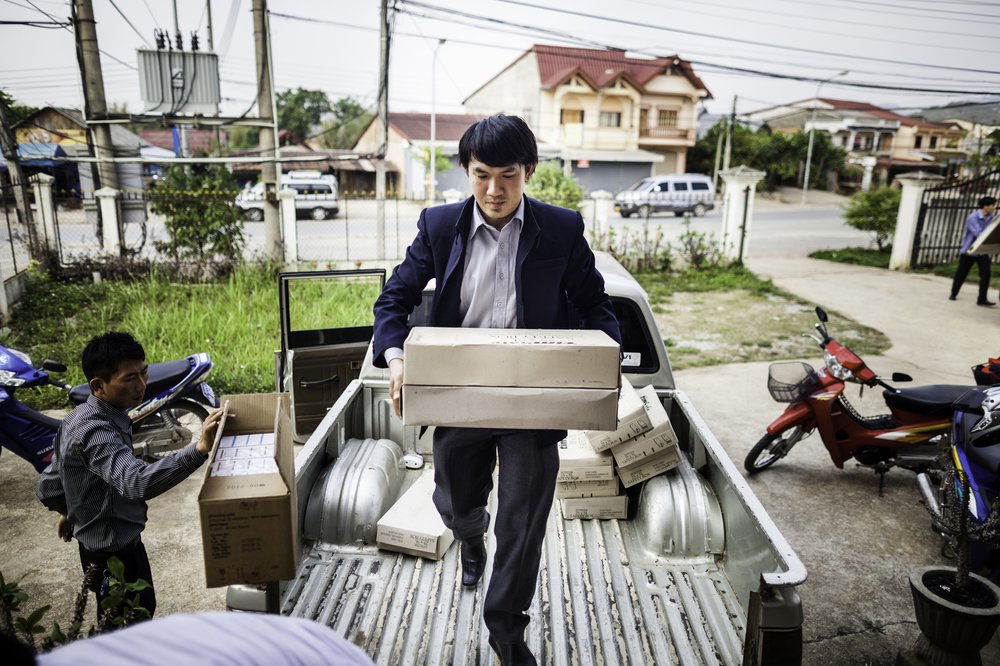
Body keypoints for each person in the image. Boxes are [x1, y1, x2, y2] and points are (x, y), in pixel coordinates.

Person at [372, 114, 621, 665]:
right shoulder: (440, 227)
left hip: (533, 399)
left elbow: (595, 305)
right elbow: (394, 299)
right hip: (460, 392)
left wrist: (607, 357)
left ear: (528, 171)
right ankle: (468, 535)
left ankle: (507, 630)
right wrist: (395, 357)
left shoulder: (561, 229)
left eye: (507, 175)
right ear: (466, 171)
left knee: (523, 524)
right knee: (457, 502)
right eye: (482, 174)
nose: (494, 190)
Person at [36, 332, 223, 621]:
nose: (142, 385)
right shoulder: (96, 432)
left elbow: (49, 485)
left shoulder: (76, 417)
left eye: (144, 373)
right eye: (129, 378)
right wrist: (199, 449)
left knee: (119, 620)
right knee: (129, 622)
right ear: (98, 386)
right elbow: (136, 482)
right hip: (115, 556)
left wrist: (71, 508)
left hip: (98, 548)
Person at [950, 195, 997, 307]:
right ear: (985, 206)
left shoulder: (992, 217)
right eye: (992, 205)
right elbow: (979, 234)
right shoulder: (973, 217)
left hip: (982, 251)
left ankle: (982, 299)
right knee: (961, 274)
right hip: (969, 251)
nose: (994, 207)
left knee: (985, 275)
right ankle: (953, 293)